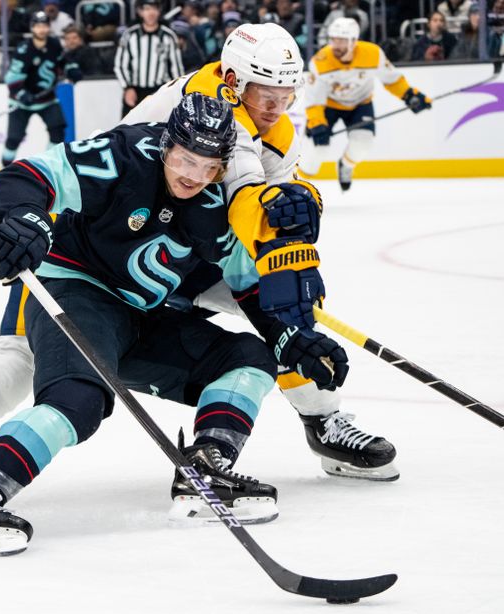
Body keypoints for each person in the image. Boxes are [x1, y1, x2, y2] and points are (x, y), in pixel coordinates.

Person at [0, 94, 344, 555]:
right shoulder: (123, 155)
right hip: (75, 292)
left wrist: (288, 336)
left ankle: (206, 466)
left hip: (144, 315)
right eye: (185, 160)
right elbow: (27, 176)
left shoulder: (219, 203)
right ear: (167, 145)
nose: (193, 177)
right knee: (78, 399)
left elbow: (247, 287)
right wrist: (23, 218)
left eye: (208, 167)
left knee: (248, 358)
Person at [122, 21, 399, 482]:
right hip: (126, 244)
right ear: (233, 82)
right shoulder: (211, 105)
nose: (276, 109)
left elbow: (289, 192)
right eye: (266, 96)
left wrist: (307, 204)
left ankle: (322, 420)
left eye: (286, 96)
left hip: (188, 243)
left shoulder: (272, 126)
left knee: (290, 303)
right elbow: (246, 196)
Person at [300, 17, 431, 191]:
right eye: (333, 39)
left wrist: (409, 95)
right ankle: (299, 184)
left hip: (360, 103)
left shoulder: (373, 54)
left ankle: (346, 166)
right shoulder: (320, 61)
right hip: (328, 106)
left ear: (354, 41)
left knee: (363, 143)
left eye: (341, 40)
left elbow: (392, 79)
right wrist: (317, 124)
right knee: (317, 150)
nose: (336, 45)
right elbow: (314, 99)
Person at [0, 11, 81, 166]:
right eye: (38, 26)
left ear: (49, 27)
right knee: (14, 138)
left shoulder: (55, 44)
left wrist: (72, 69)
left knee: (58, 130)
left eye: (44, 25)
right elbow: (11, 78)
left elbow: (64, 61)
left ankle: (47, 166)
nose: (41, 29)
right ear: (32, 28)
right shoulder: (24, 49)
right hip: (21, 102)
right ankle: (5, 170)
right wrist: (22, 93)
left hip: (47, 99)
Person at [114, 0, 184, 117]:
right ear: (140, 12)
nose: (150, 13)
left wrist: (176, 92)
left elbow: (176, 68)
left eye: (154, 9)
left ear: (159, 11)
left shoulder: (168, 36)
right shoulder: (130, 35)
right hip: (135, 91)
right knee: (128, 129)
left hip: (160, 90)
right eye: (147, 9)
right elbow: (120, 65)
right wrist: (127, 87)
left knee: (159, 128)